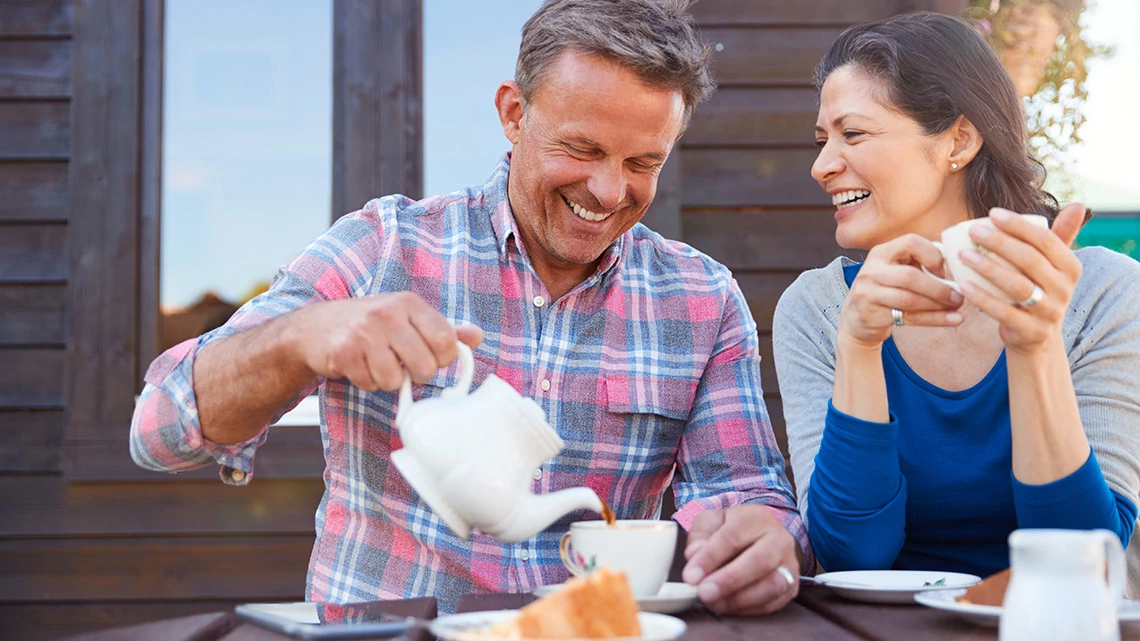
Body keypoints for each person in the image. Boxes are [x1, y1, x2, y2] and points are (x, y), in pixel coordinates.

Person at [131, 0, 809, 615]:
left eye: (643, 162)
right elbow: (159, 431)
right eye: (583, 149)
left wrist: (767, 538)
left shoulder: (701, 298)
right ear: (513, 113)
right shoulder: (382, 246)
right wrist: (300, 337)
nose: (609, 190)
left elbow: (746, 493)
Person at [773, 11, 1140, 595]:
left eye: (854, 134)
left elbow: (1085, 560)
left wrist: (1034, 347)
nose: (822, 166)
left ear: (959, 141)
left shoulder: (1102, 293)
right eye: (823, 141)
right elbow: (850, 556)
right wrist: (860, 347)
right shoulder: (816, 310)